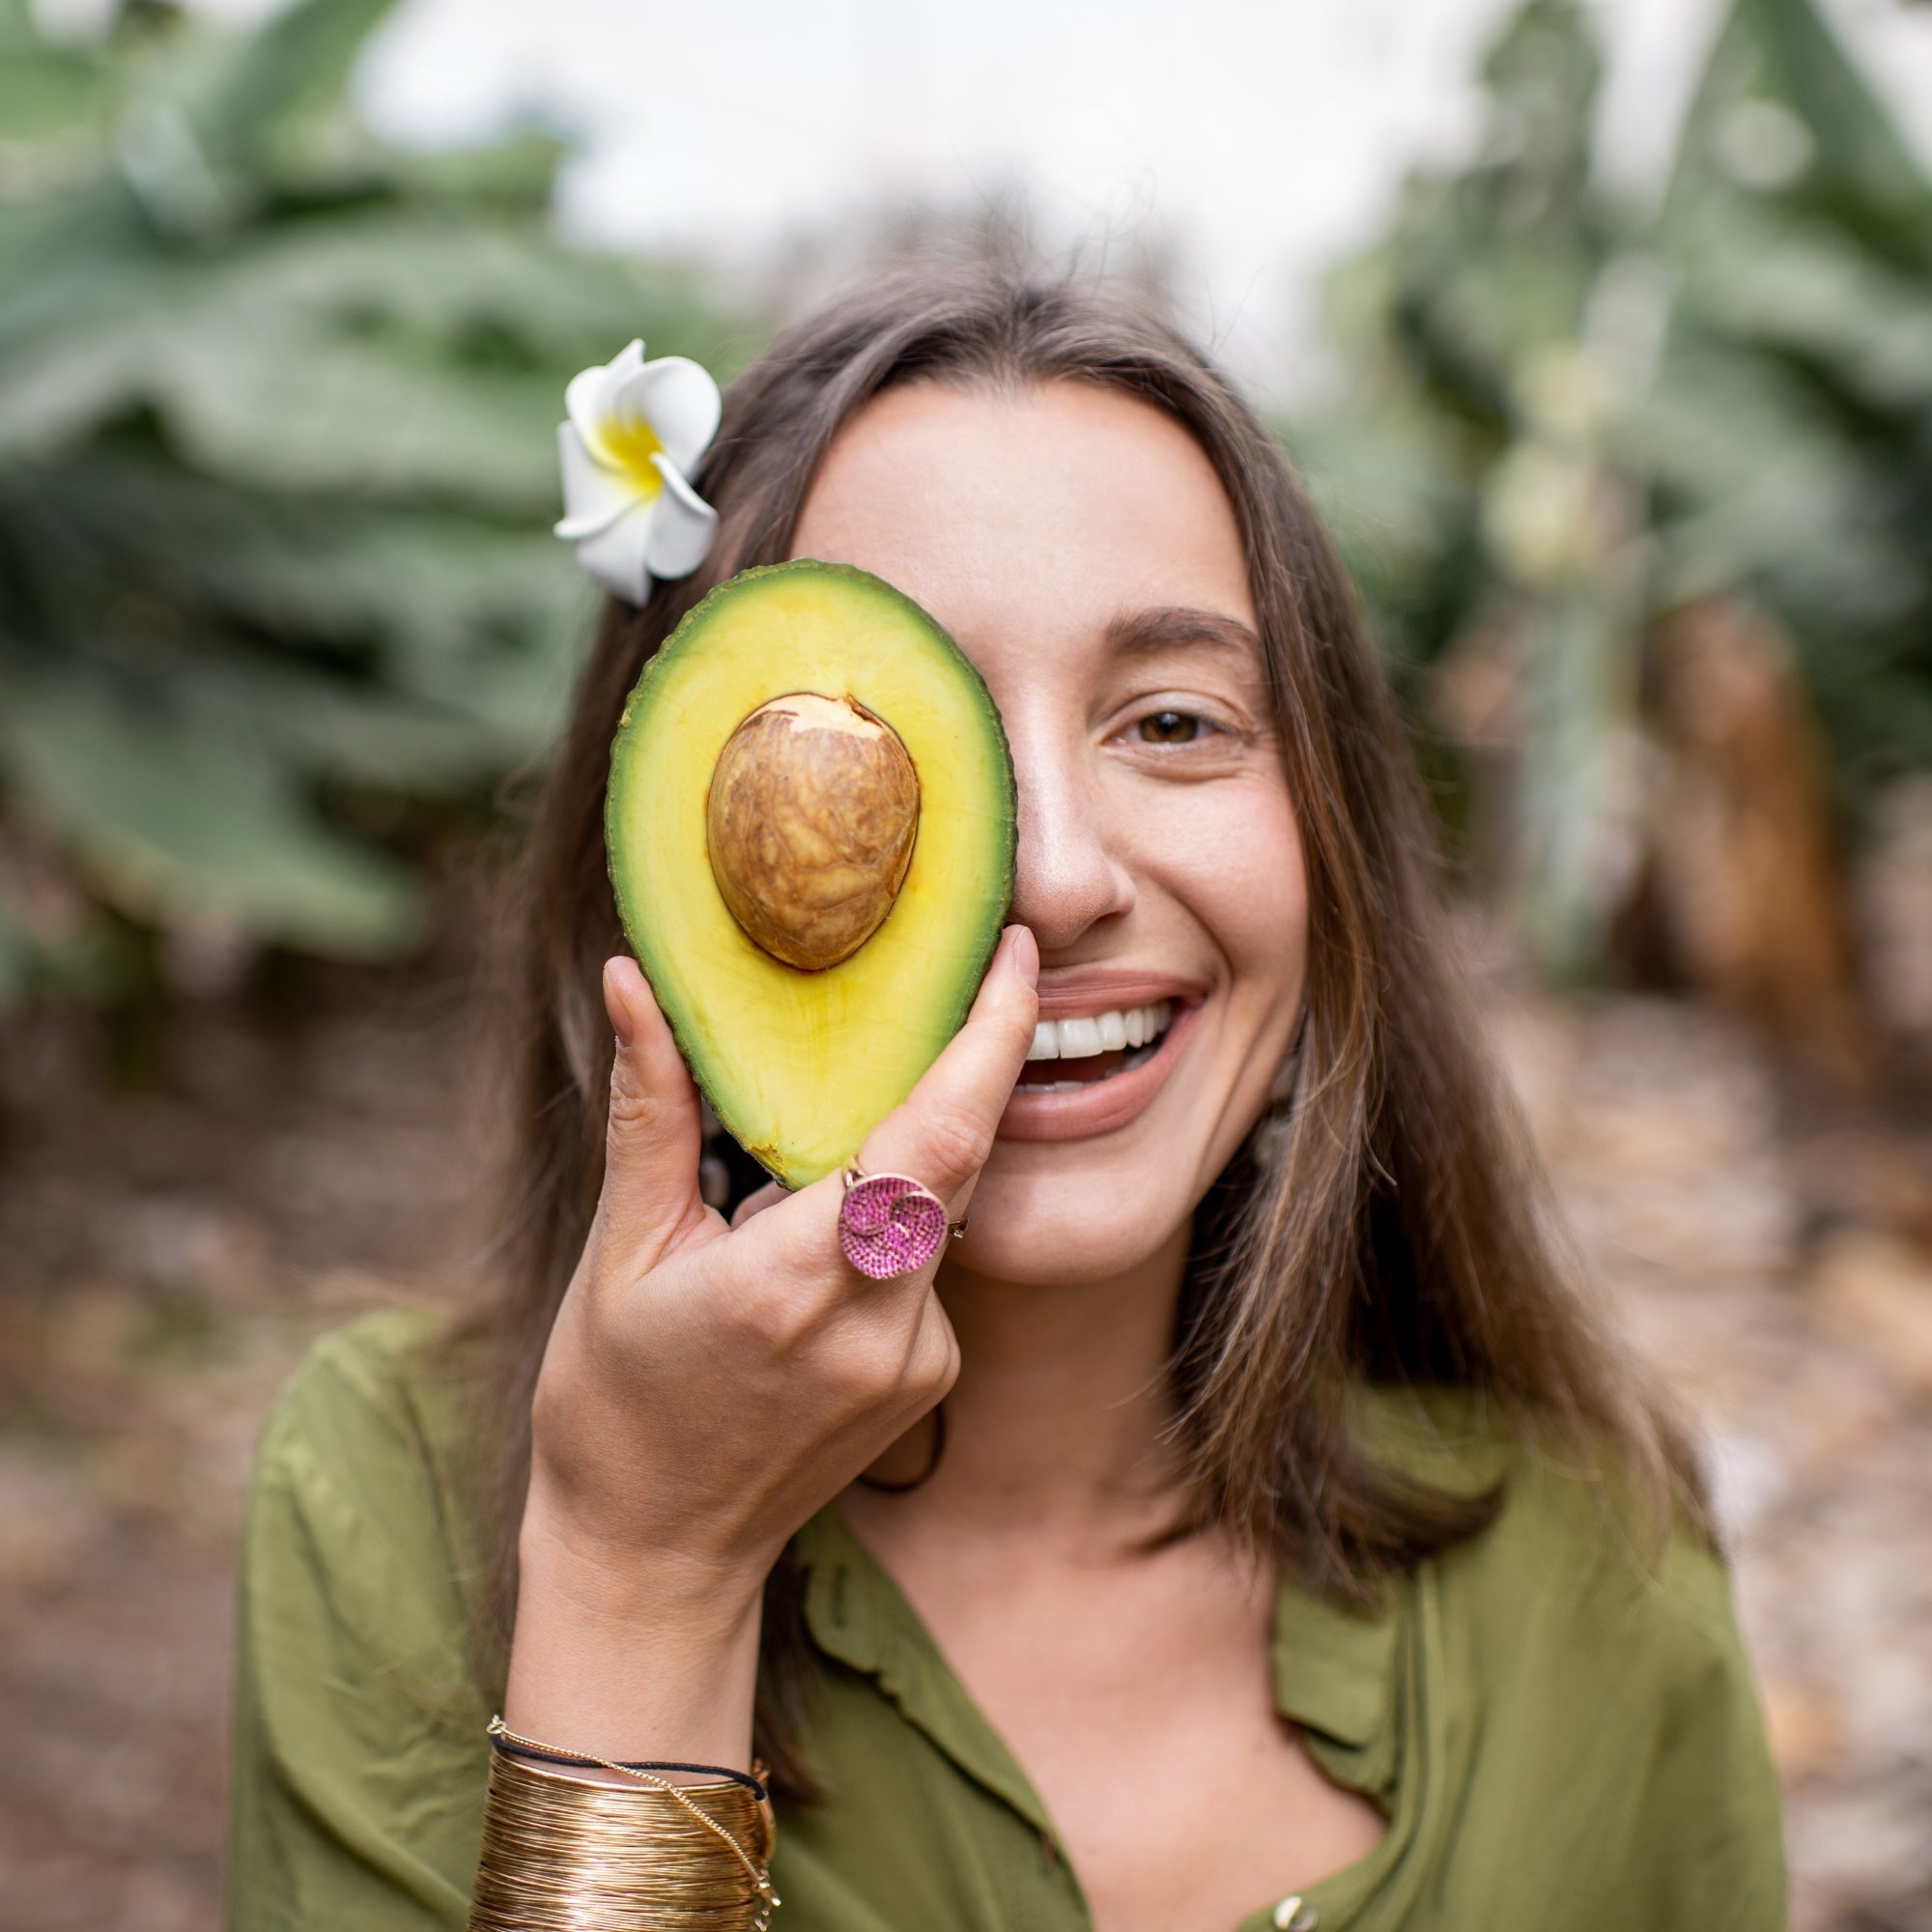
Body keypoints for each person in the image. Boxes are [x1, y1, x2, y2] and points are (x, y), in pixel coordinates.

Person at [226, 269, 1786, 1932]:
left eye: (1174, 721)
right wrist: (642, 1582)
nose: (1050, 873)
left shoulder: (1606, 1588)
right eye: (892, 740)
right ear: (659, 861)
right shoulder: (387, 1499)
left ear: (1331, 837)